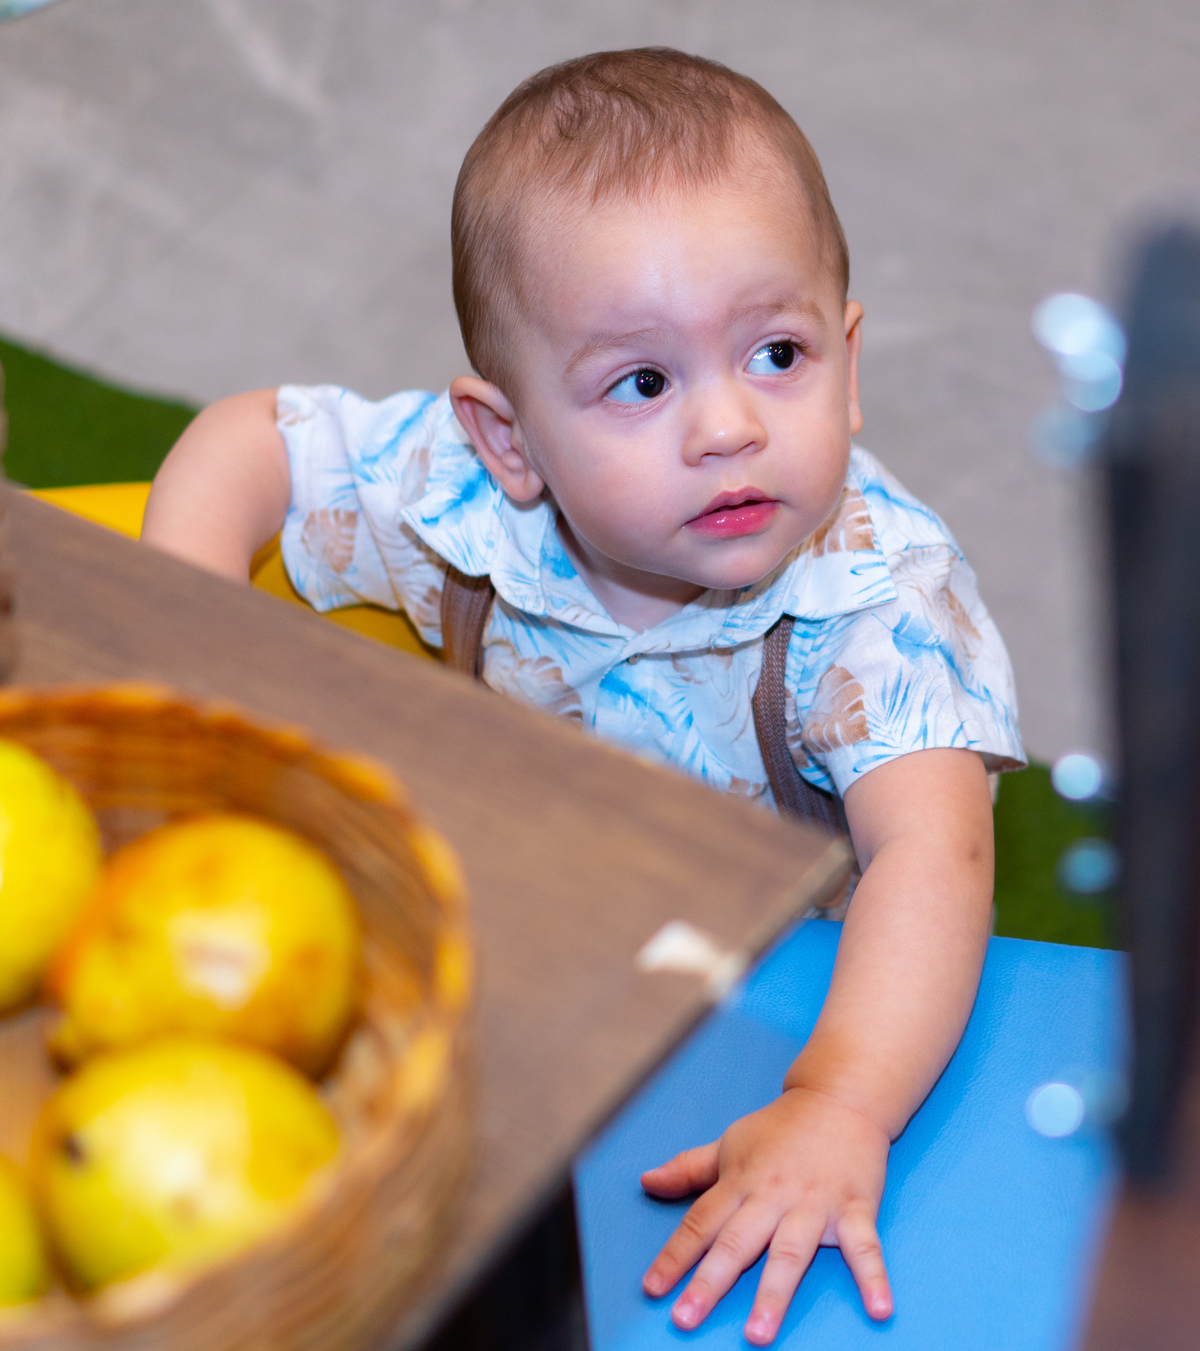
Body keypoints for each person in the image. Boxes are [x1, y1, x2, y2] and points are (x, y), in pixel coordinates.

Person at [142, 48, 1024, 1345]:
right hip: (531, 967)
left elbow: (935, 859)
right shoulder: (469, 504)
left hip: (787, 997)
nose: (726, 426)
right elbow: (251, 440)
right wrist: (189, 637)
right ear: (510, 441)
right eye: (643, 383)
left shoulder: (877, 605)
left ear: (849, 362)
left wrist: (837, 1102)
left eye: (777, 353)